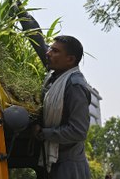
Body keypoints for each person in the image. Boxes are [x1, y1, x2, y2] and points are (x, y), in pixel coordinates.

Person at [33, 35, 91, 179]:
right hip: (53, 163)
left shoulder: (75, 85)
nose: (48, 53)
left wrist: (43, 133)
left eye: (55, 51)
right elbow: (39, 43)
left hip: (68, 168)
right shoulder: (55, 75)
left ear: (70, 59)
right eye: (50, 49)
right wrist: (21, 15)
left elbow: (78, 131)